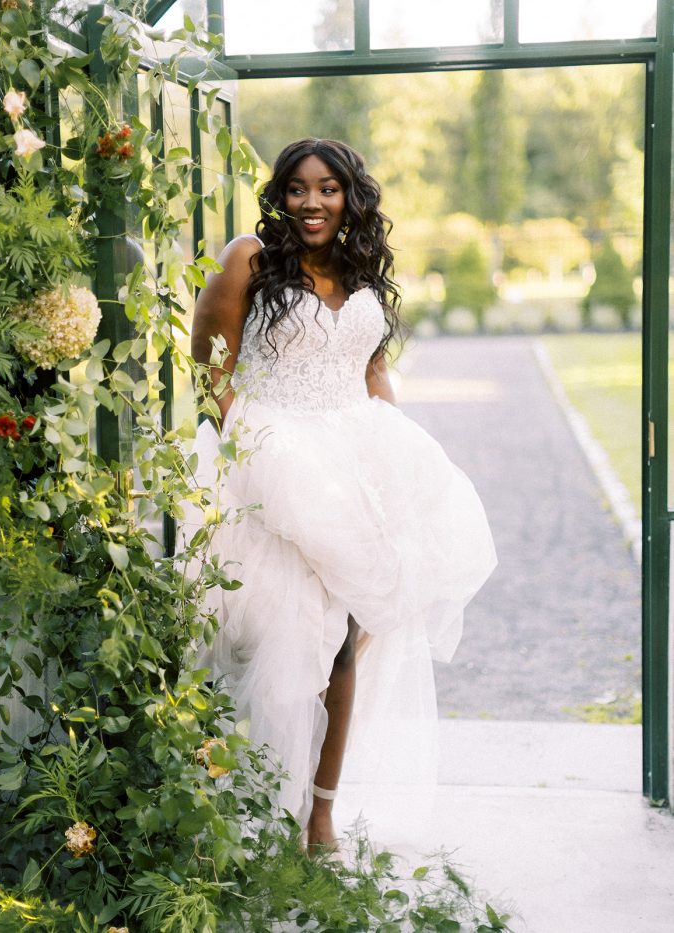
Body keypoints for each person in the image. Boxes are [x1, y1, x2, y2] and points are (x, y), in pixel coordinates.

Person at [185, 138, 496, 853]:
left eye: (327, 189)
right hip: (268, 468)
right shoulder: (249, 260)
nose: (312, 203)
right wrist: (254, 445)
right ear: (280, 197)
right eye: (297, 189)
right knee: (271, 642)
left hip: (354, 463)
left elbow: (372, 370)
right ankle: (238, 804)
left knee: (344, 648)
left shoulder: (361, 274)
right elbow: (209, 361)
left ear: (349, 196)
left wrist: (397, 457)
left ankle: (319, 816)